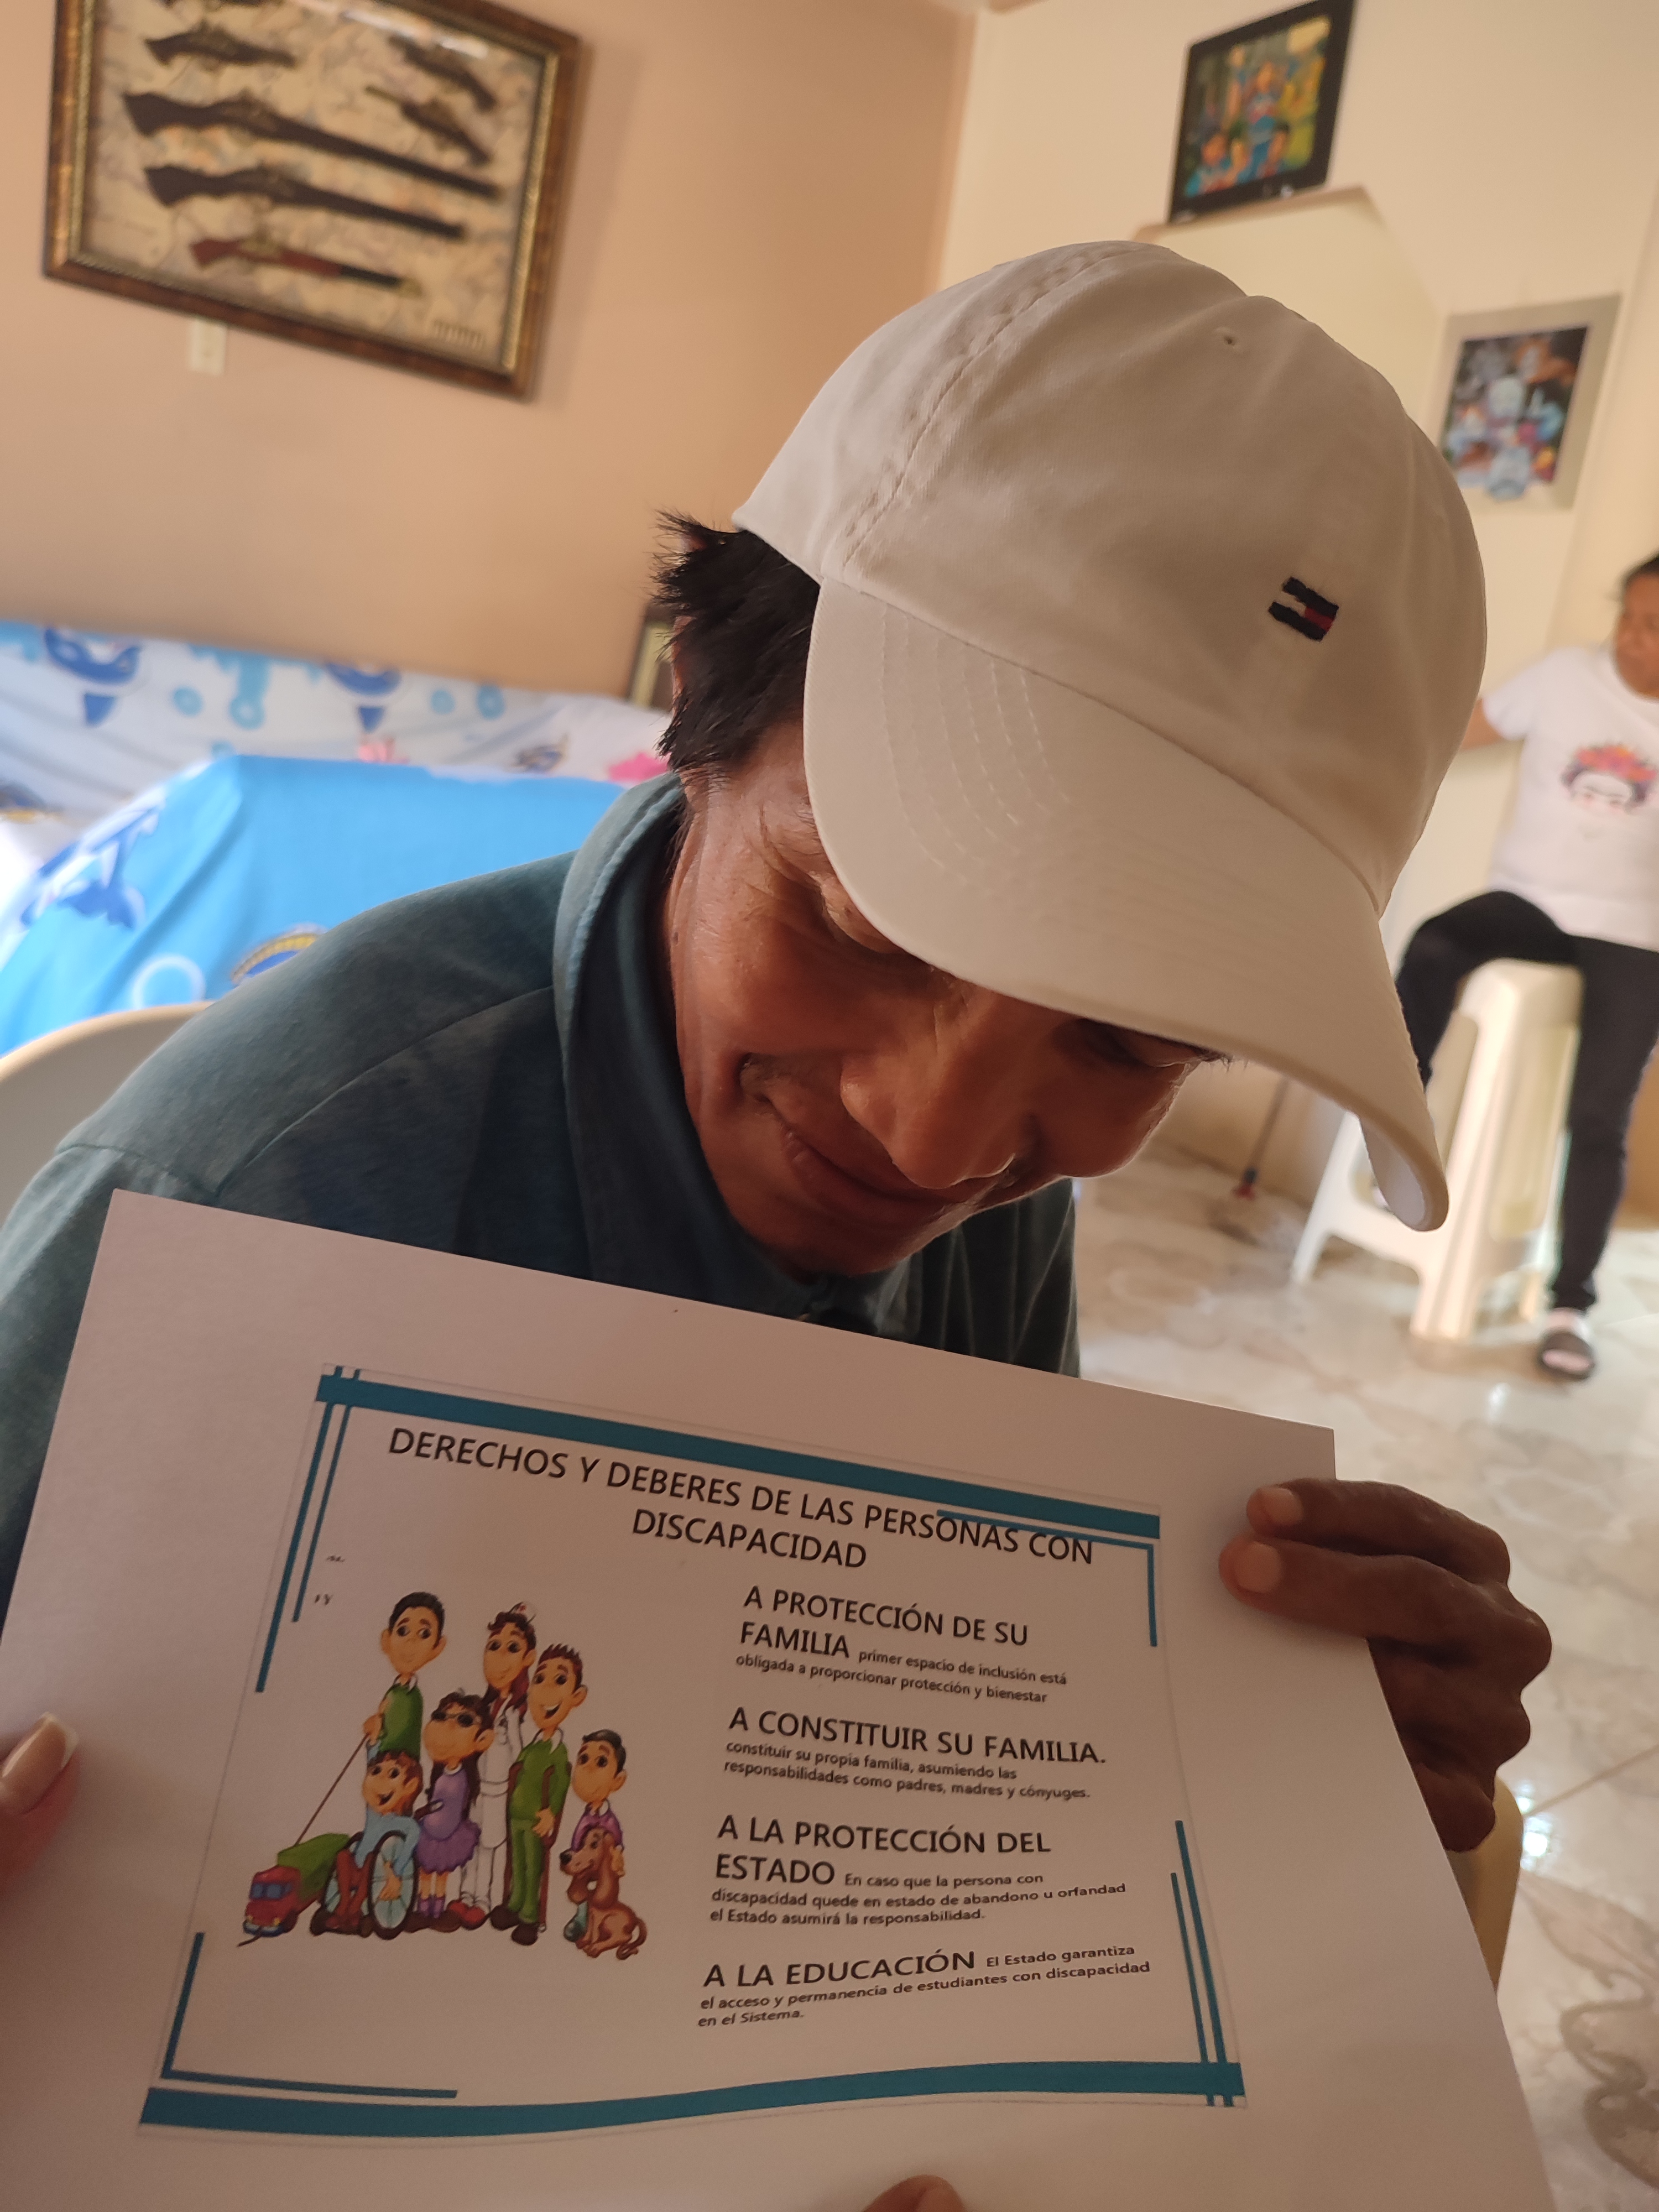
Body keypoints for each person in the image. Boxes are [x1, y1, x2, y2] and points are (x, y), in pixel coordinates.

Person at [0, 242, 1548, 1974]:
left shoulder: (1000, 1212)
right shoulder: (251, 1187)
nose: (940, 1147)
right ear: (694, 703)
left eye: (1131, 1045)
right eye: (865, 929)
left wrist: (1231, 1738)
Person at [1395, 552, 1659, 1380]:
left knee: (1600, 1117)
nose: (1631, 638)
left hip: (1635, 933)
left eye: (1653, 628)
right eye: (1627, 616)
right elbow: (1459, 728)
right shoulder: (1563, 676)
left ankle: (1569, 1307)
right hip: (1530, 903)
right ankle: (1397, 1118)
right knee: (1434, 944)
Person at [501, 1642, 586, 1946]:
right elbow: (518, 1770)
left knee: (532, 1867)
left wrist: (551, 1814)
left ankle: (529, 1914)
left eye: (560, 1680)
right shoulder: (533, 1745)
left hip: (536, 1820)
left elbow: (560, 1784)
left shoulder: (558, 1752)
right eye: (540, 1679)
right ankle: (514, 1903)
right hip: (517, 1817)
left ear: (576, 1697)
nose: (546, 1690)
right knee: (517, 1863)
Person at [457, 1604, 535, 1924]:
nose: (501, 1657)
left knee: (488, 1847)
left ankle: (482, 1899)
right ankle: (463, 1895)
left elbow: (519, 1755)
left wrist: (504, 1735)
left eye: (512, 1648)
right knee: (469, 1843)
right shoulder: (483, 1707)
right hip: (476, 1788)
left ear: (527, 1659)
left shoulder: (514, 1713)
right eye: (494, 1646)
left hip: (498, 1792)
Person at [317, 1747, 424, 1937]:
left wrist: (397, 1873)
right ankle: (344, 1903)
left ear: (409, 1786)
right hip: (354, 1871)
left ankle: (354, 1908)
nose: (380, 1781)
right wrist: (373, 1743)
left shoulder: (407, 1825)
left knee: (371, 1861)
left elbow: (409, 1849)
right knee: (343, 1856)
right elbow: (371, 1761)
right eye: (376, 1772)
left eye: (393, 1774)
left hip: (376, 1874)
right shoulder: (373, 1814)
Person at [411, 1691, 493, 1929]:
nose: (449, 1726)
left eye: (463, 1720)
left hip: (447, 1832)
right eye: (441, 1717)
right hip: (431, 1830)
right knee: (426, 1872)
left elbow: (450, 1802)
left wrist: (429, 1809)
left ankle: (436, 1913)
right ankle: (423, 1912)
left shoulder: (464, 1777)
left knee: (441, 1875)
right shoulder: (440, 1773)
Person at [361, 1592, 447, 1764]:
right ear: (387, 1640)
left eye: (424, 1634)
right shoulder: (394, 1692)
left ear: (437, 1647)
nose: (411, 1641)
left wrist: (376, 1736)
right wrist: (374, 1736)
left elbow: (401, 1748)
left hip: (397, 1771)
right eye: (403, 1631)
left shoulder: (411, 1698)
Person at [562, 1728, 628, 1946]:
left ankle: (596, 1923)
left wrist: (616, 1855)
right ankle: (581, 1918)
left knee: (602, 1893)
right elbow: (577, 1837)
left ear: (618, 1780)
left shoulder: (609, 1820)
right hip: (584, 1861)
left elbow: (617, 1841)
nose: (588, 1768)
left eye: (601, 1762)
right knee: (579, 1889)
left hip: (602, 1864)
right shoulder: (586, 1816)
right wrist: (575, 1854)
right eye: (583, 1759)